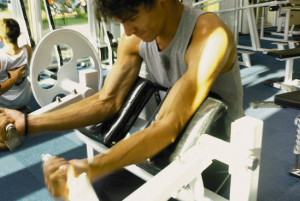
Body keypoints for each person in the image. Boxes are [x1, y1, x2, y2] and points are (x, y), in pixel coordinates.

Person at [0, 0, 244, 200]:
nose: (127, 32)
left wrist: (91, 167)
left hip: (215, 156)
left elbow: (167, 126)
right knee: (99, 190)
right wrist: (29, 122)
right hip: (164, 147)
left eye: (132, 18)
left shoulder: (209, 34)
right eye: (121, 22)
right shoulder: (135, 39)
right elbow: (106, 101)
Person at [0, 18, 32, 111]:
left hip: (5, 105)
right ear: (18, 34)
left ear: (1, 38)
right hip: (24, 100)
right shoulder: (27, 50)